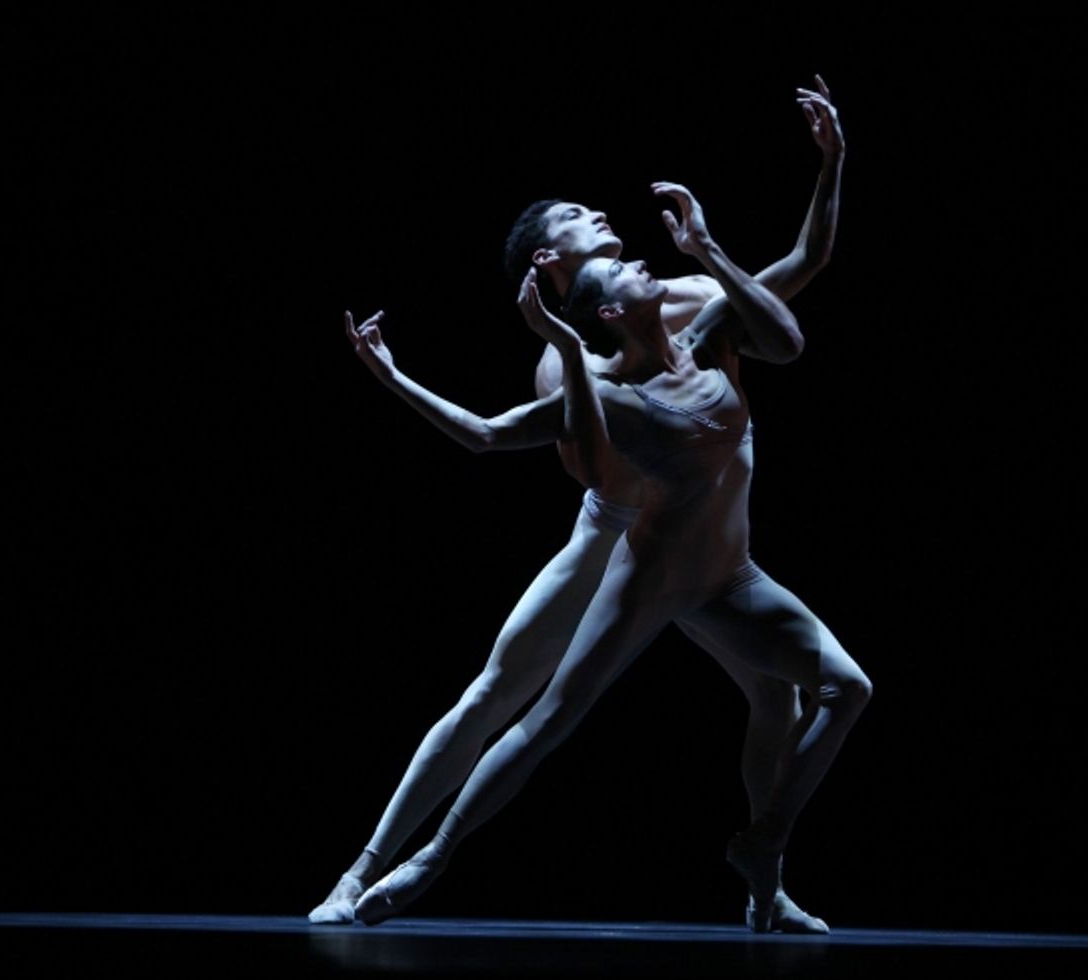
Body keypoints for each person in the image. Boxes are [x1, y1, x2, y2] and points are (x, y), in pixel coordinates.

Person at [310, 77, 844, 932]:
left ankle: (764, 888)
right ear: (546, 263)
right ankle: (365, 869)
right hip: (622, 541)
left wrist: (827, 165)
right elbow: (581, 467)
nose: (598, 212)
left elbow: (788, 287)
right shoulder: (569, 366)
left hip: (702, 540)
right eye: (573, 215)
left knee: (777, 698)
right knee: (500, 696)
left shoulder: (676, 300)